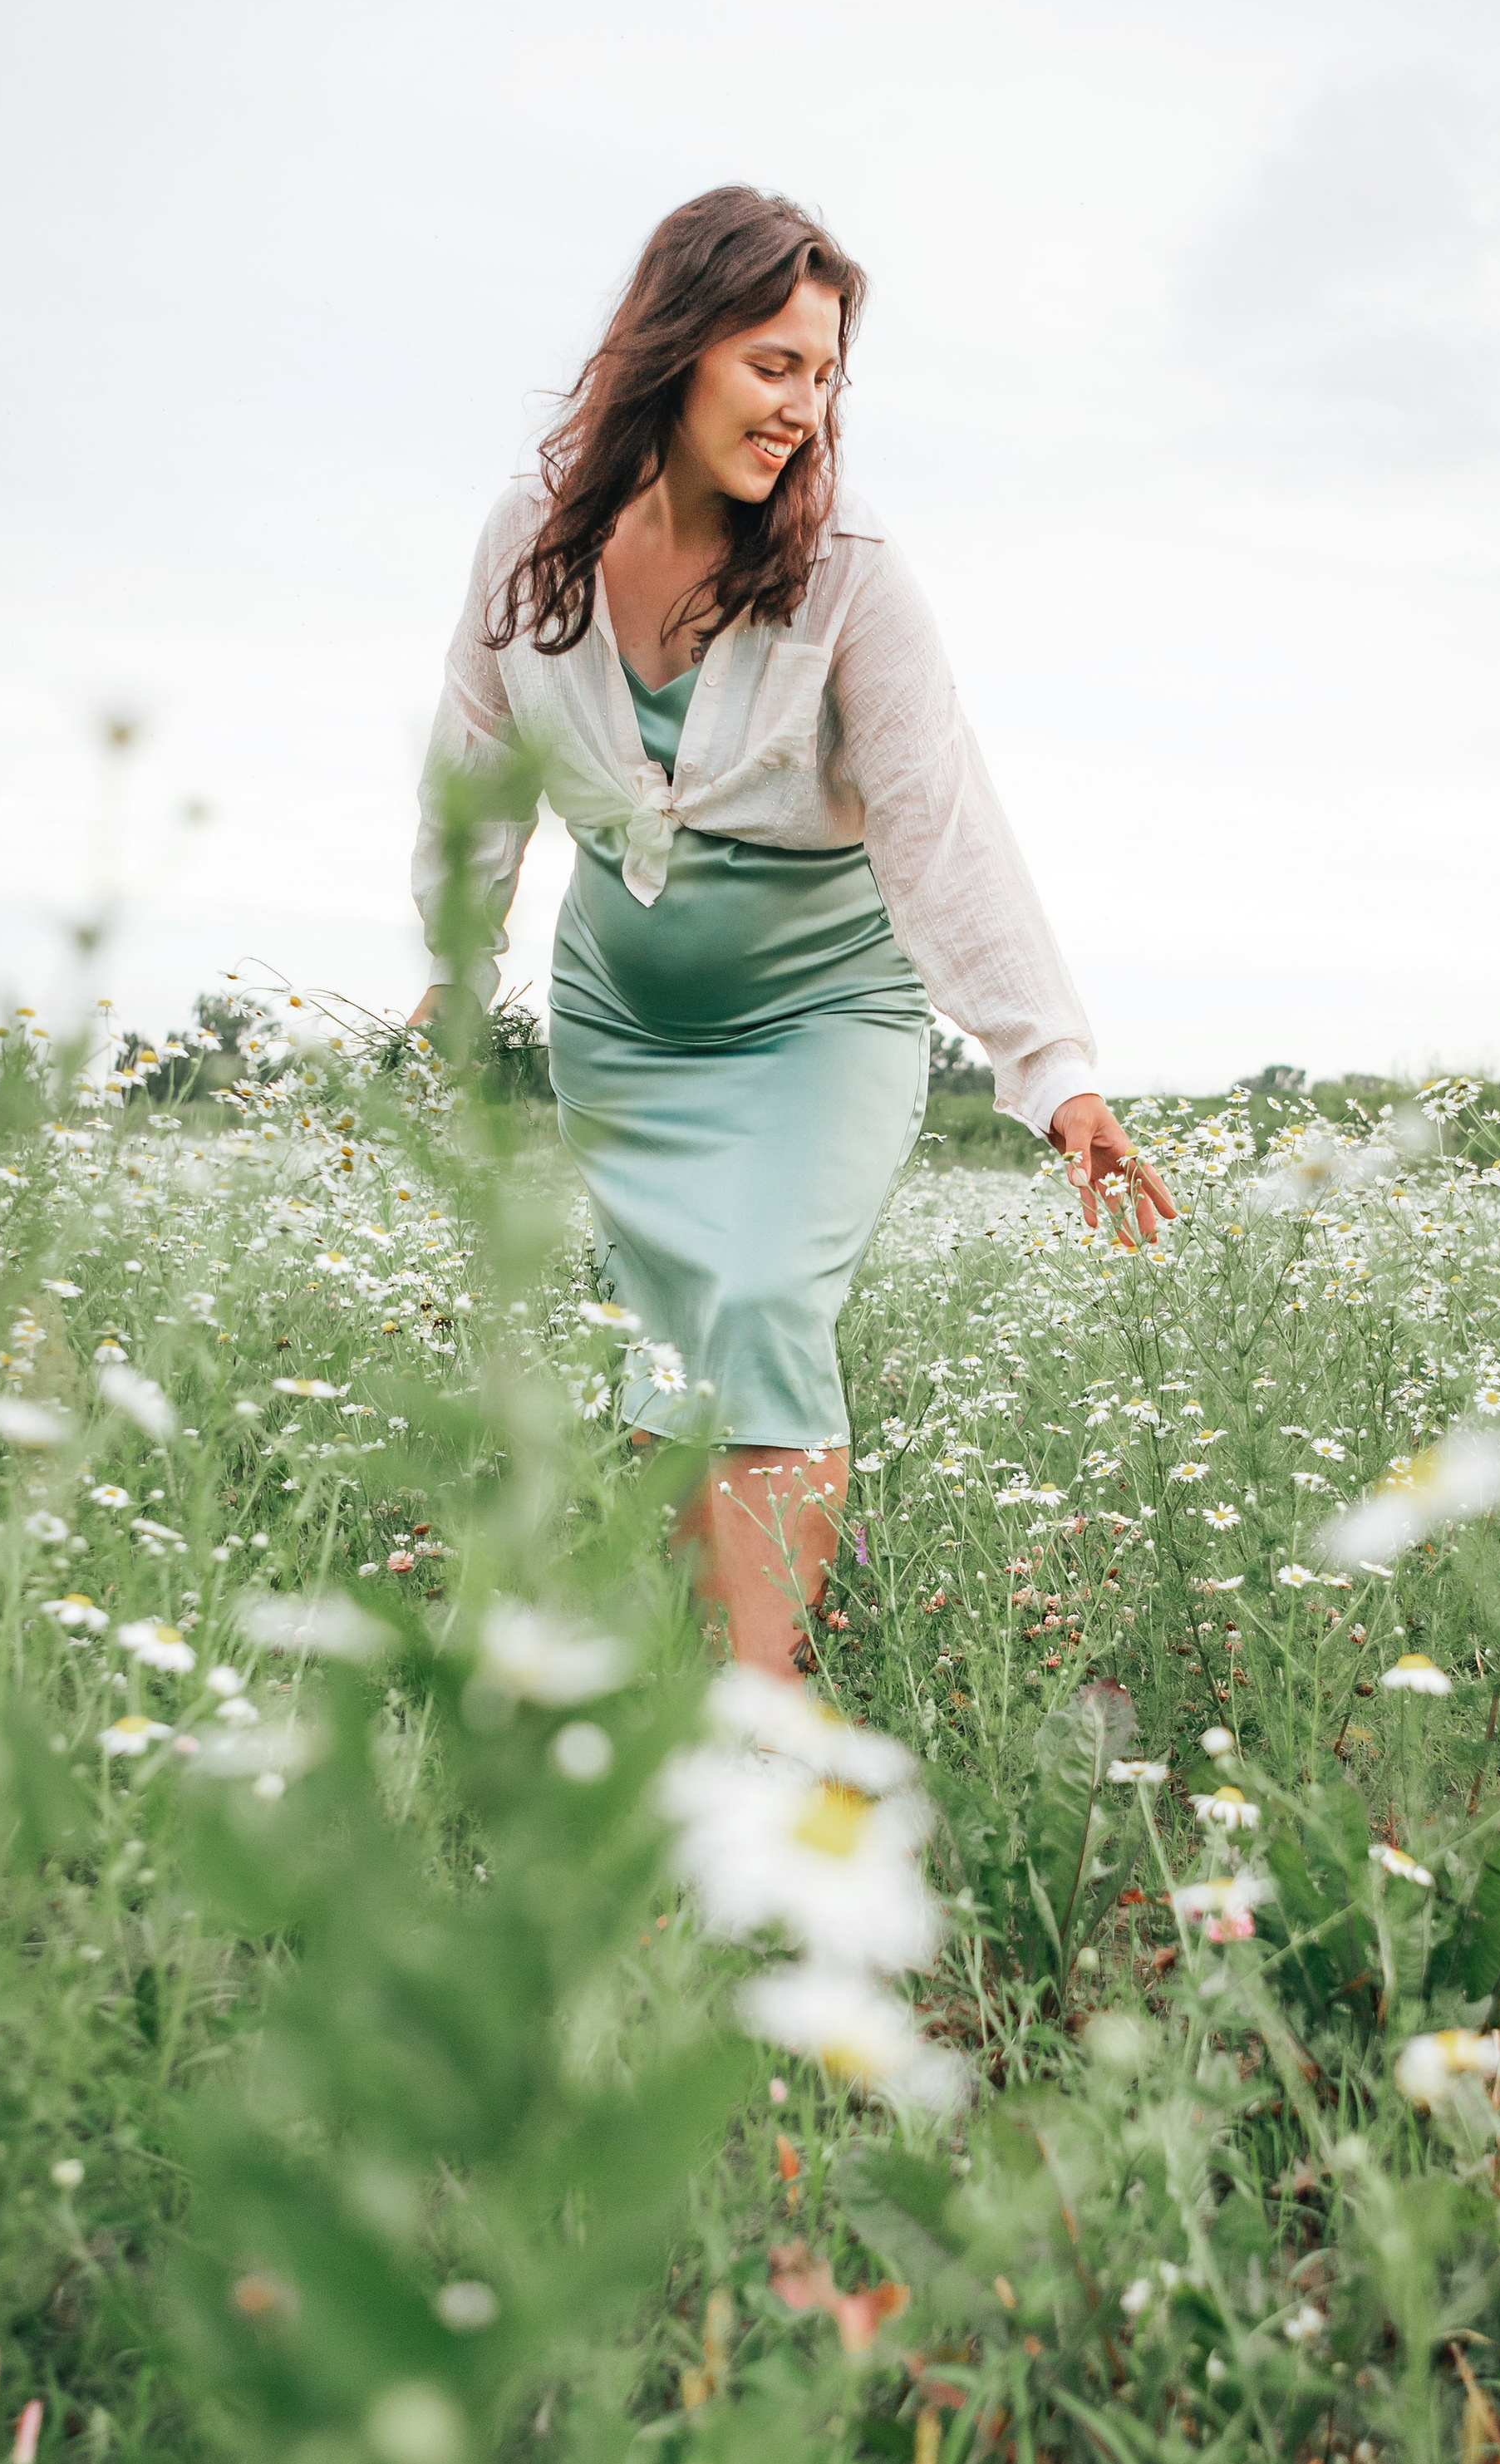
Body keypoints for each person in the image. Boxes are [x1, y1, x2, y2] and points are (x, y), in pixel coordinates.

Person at [411, 185, 1173, 1674]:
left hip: (825, 1013)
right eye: (776, 367)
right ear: (675, 348)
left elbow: (939, 826)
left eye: (825, 378)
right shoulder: (530, 535)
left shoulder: (850, 575)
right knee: (678, 1339)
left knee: (758, 1298)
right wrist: (457, 982)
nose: (805, 413)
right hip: (623, 1028)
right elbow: (473, 767)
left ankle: (746, 1729)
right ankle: (682, 1678)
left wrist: (1052, 1064)